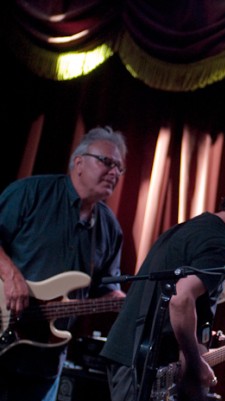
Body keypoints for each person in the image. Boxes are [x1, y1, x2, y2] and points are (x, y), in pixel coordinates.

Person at [101, 173, 225, 401]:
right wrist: (195, 363)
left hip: (131, 354)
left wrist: (219, 340)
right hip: (141, 362)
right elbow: (181, 299)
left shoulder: (197, 227)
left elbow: (171, 305)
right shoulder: (220, 246)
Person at [0, 126, 128, 401]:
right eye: (107, 162)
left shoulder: (111, 228)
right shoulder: (30, 193)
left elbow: (106, 288)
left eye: (119, 167)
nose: (115, 172)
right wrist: (11, 276)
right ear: (79, 162)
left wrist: (127, 302)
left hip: (44, 362)